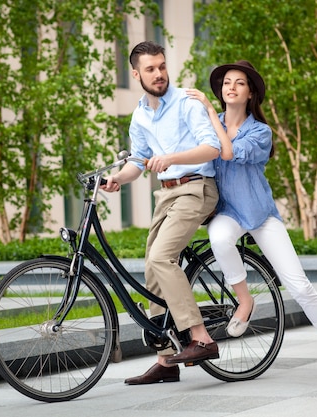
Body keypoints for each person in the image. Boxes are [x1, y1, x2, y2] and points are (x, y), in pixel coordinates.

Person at [186, 60, 317, 376]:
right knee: (219, 238)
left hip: (261, 214)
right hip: (227, 212)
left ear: (250, 92)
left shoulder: (260, 132)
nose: (231, 87)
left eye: (239, 83)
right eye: (227, 82)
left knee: (300, 286)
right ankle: (244, 302)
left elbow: (227, 152)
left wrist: (211, 116)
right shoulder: (209, 125)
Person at [101, 41, 222, 384]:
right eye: (150, 69)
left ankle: (201, 337)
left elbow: (211, 147)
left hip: (197, 186)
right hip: (166, 195)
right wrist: (117, 180)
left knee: (161, 257)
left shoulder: (186, 102)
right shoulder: (140, 114)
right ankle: (166, 361)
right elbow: (137, 162)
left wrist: (171, 158)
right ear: (137, 74)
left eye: (162, 67)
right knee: (151, 268)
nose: (159, 74)